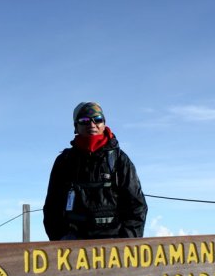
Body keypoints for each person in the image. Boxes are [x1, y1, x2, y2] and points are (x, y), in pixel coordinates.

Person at [43, 102, 148, 240]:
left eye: (97, 119)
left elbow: (137, 206)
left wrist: (125, 244)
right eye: (84, 120)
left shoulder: (119, 159)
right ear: (76, 126)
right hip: (73, 248)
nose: (92, 124)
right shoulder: (65, 161)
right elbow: (52, 207)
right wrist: (61, 242)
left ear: (104, 123)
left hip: (114, 248)